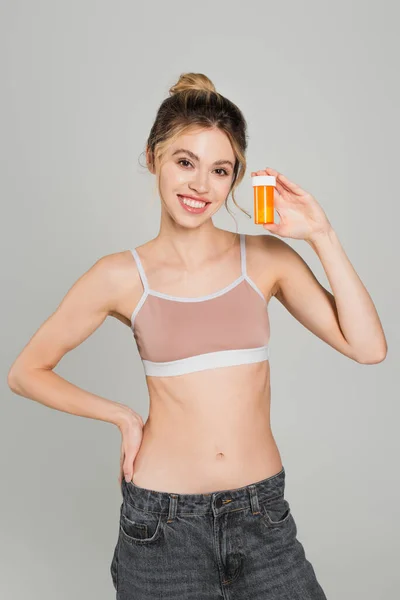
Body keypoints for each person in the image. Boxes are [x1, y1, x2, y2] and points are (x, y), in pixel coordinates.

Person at [8, 72, 387, 600]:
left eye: (220, 170)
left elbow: (369, 348)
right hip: (162, 528)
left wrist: (321, 235)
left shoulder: (267, 259)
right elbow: (25, 373)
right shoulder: (120, 276)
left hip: (262, 519)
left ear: (236, 179)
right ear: (152, 157)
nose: (199, 185)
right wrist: (120, 416)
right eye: (185, 162)